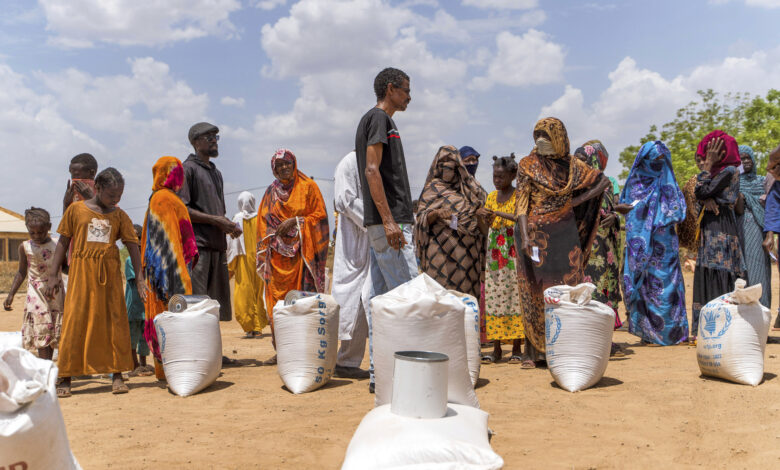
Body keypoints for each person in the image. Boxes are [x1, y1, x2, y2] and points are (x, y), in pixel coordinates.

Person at [515, 117, 608, 367]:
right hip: (535, 238)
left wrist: (576, 202)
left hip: (566, 236)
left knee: (565, 288)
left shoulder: (574, 167)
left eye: (546, 136)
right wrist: (524, 237)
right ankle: (533, 352)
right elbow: (521, 204)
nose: (541, 141)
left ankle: (563, 346)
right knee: (535, 290)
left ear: (559, 139)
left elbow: (603, 181)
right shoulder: (527, 165)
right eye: (537, 137)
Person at [49, 168, 145, 397]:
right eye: (112, 195)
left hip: (109, 276)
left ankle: (118, 375)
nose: (116, 199)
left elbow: (133, 245)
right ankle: (66, 376)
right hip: (81, 274)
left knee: (114, 323)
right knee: (75, 322)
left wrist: (140, 277)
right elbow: (63, 242)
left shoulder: (118, 215)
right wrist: (53, 274)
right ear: (97, 189)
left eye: (120, 195)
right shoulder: (76, 210)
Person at [355, 67, 418, 392]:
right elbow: (371, 169)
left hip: (382, 224)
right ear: (391, 88)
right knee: (406, 299)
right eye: (406, 89)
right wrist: (390, 220)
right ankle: (405, 379)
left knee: (381, 300)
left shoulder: (378, 121)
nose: (409, 96)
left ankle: (381, 377)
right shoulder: (379, 120)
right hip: (388, 224)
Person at [256, 148, 329, 365]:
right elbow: (263, 222)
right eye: (279, 166)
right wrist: (274, 237)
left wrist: (297, 222)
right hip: (277, 260)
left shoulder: (308, 187)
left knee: (302, 301)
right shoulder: (270, 192)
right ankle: (283, 350)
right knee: (278, 305)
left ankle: (304, 349)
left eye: (287, 164)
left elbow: (321, 216)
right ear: (273, 169)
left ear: (294, 164)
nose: (284, 168)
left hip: (302, 258)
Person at [179, 122, 240, 365]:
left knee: (213, 305)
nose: (214, 140)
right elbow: (183, 209)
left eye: (216, 136)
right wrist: (216, 220)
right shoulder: (188, 169)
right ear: (196, 142)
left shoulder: (215, 172)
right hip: (198, 247)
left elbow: (218, 209)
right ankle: (197, 356)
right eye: (209, 137)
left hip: (217, 245)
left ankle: (212, 354)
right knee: (197, 303)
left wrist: (227, 225)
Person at [620, 141, 689, 345]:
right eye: (654, 160)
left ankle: (673, 332)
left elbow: (679, 212)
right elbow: (629, 211)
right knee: (647, 287)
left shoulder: (668, 181)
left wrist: (659, 215)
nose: (658, 164)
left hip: (665, 246)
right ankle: (649, 333)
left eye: (661, 160)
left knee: (669, 286)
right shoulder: (635, 184)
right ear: (644, 160)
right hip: (642, 249)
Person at [142, 156, 199, 380]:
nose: (181, 178)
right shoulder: (163, 199)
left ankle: (168, 370)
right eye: (177, 173)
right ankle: (172, 370)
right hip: (169, 274)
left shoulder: (161, 198)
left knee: (168, 318)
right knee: (171, 316)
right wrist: (170, 278)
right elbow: (165, 245)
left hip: (167, 271)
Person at [574, 141, 630, 354]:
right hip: (586, 247)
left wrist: (615, 216)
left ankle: (605, 340)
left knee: (606, 289)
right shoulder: (577, 185)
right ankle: (589, 339)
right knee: (588, 291)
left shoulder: (606, 184)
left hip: (606, 248)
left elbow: (611, 209)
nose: (578, 164)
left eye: (583, 160)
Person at [691, 131, 745, 343]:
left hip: (720, 225)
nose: (706, 157)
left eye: (710, 153)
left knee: (719, 270)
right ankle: (707, 329)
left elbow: (701, 191)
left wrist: (707, 169)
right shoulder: (718, 174)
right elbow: (700, 194)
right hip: (712, 223)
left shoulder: (729, 171)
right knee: (709, 269)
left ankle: (721, 328)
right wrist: (705, 197)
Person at [415, 146, 490, 298]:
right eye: (443, 166)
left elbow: (482, 214)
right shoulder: (432, 188)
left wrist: (478, 213)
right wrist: (435, 214)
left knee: (466, 301)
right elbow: (421, 218)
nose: (447, 170)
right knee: (441, 301)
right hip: (440, 256)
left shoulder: (468, 189)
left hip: (469, 258)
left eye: (451, 166)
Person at [3, 208, 64, 360]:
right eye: (33, 233)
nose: (37, 236)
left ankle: (51, 370)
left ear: (49, 227)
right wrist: (11, 294)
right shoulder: (25, 247)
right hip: (36, 295)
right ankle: (45, 370)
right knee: (41, 330)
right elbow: (21, 272)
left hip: (56, 295)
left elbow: (67, 267)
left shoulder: (58, 245)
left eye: (41, 233)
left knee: (54, 333)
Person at [481, 155, 524, 365]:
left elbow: (519, 217)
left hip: (513, 253)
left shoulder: (519, 196)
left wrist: (495, 212)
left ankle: (516, 348)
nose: (497, 180)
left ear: (513, 175)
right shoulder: (490, 197)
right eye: (494, 177)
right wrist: (484, 217)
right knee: (495, 298)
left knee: (515, 297)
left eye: (501, 177)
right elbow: (486, 226)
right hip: (495, 255)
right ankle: (496, 349)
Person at [332, 151, 371, 379]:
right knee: (352, 301)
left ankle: (351, 361)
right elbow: (345, 201)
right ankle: (345, 361)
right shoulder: (348, 162)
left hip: (374, 241)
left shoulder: (379, 161)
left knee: (370, 300)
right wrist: (375, 221)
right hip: (354, 241)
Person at [227, 191, 268, 338]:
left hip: (243, 261)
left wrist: (230, 265)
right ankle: (257, 326)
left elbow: (231, 244)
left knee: (243, 294)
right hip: (258, 262)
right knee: (258, 293)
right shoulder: (260, 218)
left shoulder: (237, 218)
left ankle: (250, 327)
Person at [738, 145, 771, 308]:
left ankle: (762, 310)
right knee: (741, 273)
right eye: (741, 159)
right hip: (738, 229)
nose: (745, 161)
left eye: (748, 157)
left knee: (758, 270)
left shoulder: (762, 181)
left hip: (758, 230)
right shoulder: (734, 183)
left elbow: (770, 208)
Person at [126, 224, 153, 377]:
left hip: (146, 304)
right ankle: (134, 364)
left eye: (138, 237)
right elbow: (136, 279)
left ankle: (143, 363)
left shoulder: (147, 258)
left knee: (145, 335)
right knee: (133, 336)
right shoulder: (130, 260)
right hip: (134, 305)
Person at [762, 144, 780, 329]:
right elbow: (773, 208)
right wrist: (769, 235)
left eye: (775, 165)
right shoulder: (777, 185)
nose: (770, 169)